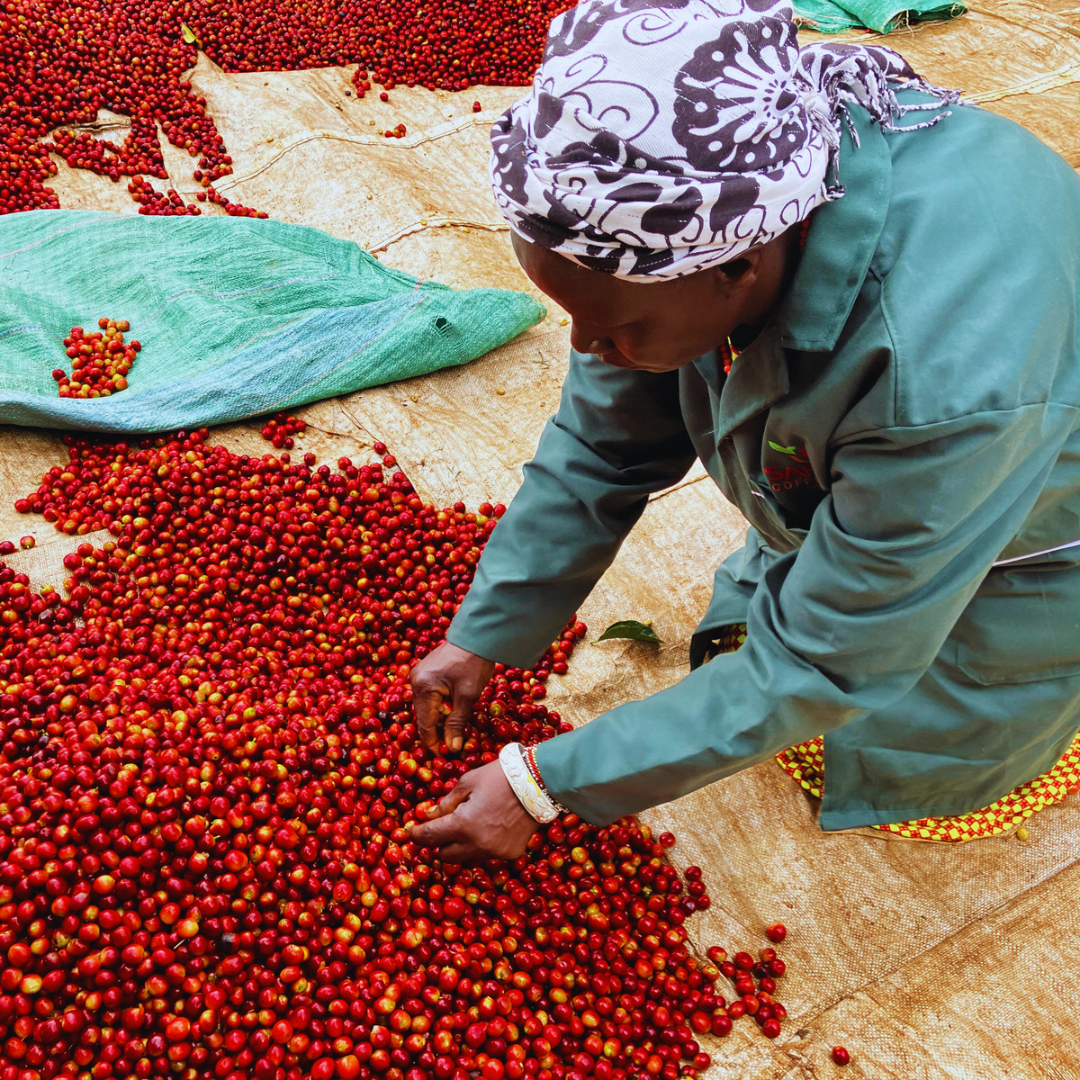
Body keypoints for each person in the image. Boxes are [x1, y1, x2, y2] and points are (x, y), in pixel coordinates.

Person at [408, 0, 1080, 863]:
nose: (583, 345)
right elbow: (602, 445)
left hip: (1027, 534)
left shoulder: (941, 384)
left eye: (611, 326)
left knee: (920, 723)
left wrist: (550, 784)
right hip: (910, 476)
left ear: (737, 266)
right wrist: (485, 630)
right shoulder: (687, 225)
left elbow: (832, 654)